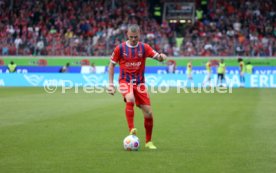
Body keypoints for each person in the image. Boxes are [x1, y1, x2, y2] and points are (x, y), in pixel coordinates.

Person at [107, 24, 167, 150]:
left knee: (149, 113)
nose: (133, 39)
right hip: (124, 81)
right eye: (131, 37)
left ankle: (148, 142)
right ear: (127, 35)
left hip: (139, 84)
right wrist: (111, 84)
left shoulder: (144, 47)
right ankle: (131, 129)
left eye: (135, 37)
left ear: (139, 35)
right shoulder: (120, 48)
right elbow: (111, 65)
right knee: (130, 98)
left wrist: (162, 57)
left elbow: (158, 57)